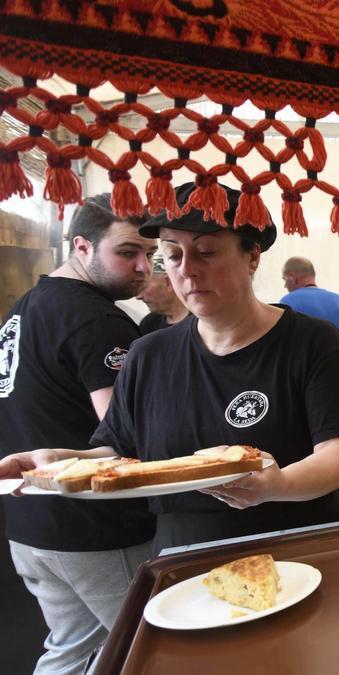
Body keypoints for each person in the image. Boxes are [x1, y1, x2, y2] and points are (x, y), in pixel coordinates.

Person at [10, 183, 339, 554]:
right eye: (172, 255)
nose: (188, 271)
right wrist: (60, 462)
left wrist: (275, 485)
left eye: (206, 252)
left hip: (303, 541)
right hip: (186, 553)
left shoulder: (310, 340)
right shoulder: (147, 354)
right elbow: (121, 452)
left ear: (252, 257)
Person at [0, 194, 157, 674]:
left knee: (72, 650)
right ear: (82, 247)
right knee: (150, 650)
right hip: (95, 530)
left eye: (150, 255)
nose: (143, 267)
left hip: (30, 524)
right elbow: (130, 429)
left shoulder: (26, 307)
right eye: (127, 252)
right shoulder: (96, 319)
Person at [280, 257, 339, 365]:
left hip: (306, 378)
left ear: (292, 277)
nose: (284, 285)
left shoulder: (287, 303)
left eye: (284, 279)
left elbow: (281, 349)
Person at [135, 253, 189, 334]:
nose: (138, 297)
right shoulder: (149, 324)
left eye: (144, 286)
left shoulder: (203, 321)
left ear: (169, 282)